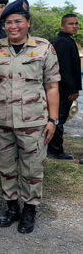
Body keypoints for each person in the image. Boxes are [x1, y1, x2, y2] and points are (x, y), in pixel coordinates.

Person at [0, 0, 60, 234]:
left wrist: (53, 120)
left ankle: (29, 210)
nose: (13, 26)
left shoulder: (43, 47)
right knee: (6, 168)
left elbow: (52, 86)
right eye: (8, 22)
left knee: (32, 168)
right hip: (1, 121)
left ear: (28, 22)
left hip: (34, 122)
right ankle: (11, 208)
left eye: (18, 21)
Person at [48, 14, 81, 160]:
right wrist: (72, 90)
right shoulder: (62, 42)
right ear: (62, 26)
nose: (75, 26)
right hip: (61, 89)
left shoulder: (67, 40)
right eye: (71, 24)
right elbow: (64, 69)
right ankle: (55, 151)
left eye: (76, 24)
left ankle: (55, 149)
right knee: (58, 119)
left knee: (60, 119)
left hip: (63, 88)